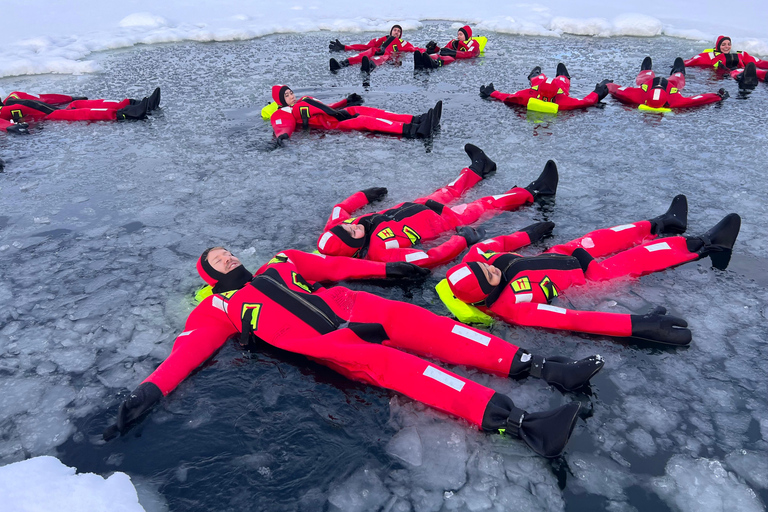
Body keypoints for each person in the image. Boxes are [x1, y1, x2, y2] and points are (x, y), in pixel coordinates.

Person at [103, 246, 605, 457]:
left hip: (358, 307)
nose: (227, 256)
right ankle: (525, 426)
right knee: (411, 371)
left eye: (227, 250)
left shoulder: (279, 263)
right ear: (208, 274)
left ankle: (544, 367)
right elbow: (186, 354)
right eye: (216, 258)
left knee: (437, 329)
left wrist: (390, 272)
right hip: (336, 344)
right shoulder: (217, 309)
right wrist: (150, 390)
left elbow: (333, 267)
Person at [444, 195, 742, 345]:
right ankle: (706, 243)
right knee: (638, 258)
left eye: (485, 265)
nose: (491, 266)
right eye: (491, 274)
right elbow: (576, 319)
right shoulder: (515, 309)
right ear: (487, 295)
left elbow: (499, 242)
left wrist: (531, 232)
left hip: (563, 254)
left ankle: (663, 223)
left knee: (607, 235)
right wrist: (637, 325)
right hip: (588, 278)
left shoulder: (478, 259)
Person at [316, 144, 559, 267]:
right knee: (486, 204)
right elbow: (429, 257)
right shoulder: (382, 254)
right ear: (352, 249)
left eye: (348, 227)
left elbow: (341, 210)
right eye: (351, 234)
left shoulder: (342, 227)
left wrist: (363, 196)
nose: (353, 226)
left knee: (449, 190)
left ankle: (479, 167)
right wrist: (462, 239)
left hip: (418, 206)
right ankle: (535, 191)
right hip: (443, 221)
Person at [269, 85, 441, 142]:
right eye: (287, 95)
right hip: (334, 125)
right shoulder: (284, 113)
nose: (291, 96)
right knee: (365, 120)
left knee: (364, 110)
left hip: (336, 115)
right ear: (279, 100)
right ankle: (415, 130)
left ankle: (418, 119)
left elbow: (325, 107)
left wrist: (345, 102)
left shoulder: (303, 101)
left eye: (291, 92)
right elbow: (283, 126)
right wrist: (282, 136)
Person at [606, 57, 728, 110]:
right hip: (670, 86)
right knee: (678, 78)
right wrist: (718, 96)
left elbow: (618, 90)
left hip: (648, 84)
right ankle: (678, 70)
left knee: (643, 78)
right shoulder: (676, 101)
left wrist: (607, 85)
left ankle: (646, 69)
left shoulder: (637, 96)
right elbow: (698, 99)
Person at [479, 63, 611, 111]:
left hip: (537, 91)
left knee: (539, 81)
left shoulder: (528, 95)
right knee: (562, 83)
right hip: (557, 92)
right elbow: (584, 102)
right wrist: (598, 92)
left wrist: (492, 92)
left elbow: (508, 97)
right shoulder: (563, 101)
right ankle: (563, 76)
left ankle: (536, 76)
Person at [0, 88, 160, 123]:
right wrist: (10, 127)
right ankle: (126, 113)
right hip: (45, 119)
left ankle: (133, 103)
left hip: (52, 110)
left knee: (77, 104)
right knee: (77, 113)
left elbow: (45, 98)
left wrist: (69, 98)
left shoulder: (13, 97)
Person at [329, 24, 421, 73]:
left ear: (400, 34)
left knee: (383, 57)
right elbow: (365, 46)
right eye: (395, 30)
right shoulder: (383, 39)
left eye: (399, 31)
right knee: (367, 52)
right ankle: (341, 64)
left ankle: (369, 66)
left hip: (389, 56)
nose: (396, 32)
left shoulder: (403, 43)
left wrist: (430, 50)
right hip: (377, 51)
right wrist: (345, 47)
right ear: (391, 32)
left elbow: (415, 49)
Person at [684, 35, 768, 86]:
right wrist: (681, 65)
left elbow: (759, 62)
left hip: (741, 70)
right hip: (728, 75)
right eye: (723, 45)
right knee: (736, 73)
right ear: (718, 46)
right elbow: (694, 60)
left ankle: (765, 75)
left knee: (754, 71)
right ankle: (745, 79)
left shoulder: (739, 55)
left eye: (729, 44)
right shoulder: (710, 56)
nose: (726, 47)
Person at [413, 25, 480, 69]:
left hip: (459, 60)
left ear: (467, 35)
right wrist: (433, 49)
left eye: (460, 35)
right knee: (437, 55)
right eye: (458, 34)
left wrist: (453, 53)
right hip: (452, 57)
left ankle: (435, 63)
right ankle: (422, 60)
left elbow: (471, 54)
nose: (458, 37)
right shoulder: (454, 42)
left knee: (449, 58)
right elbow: (442, 51)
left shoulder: (473, 43)